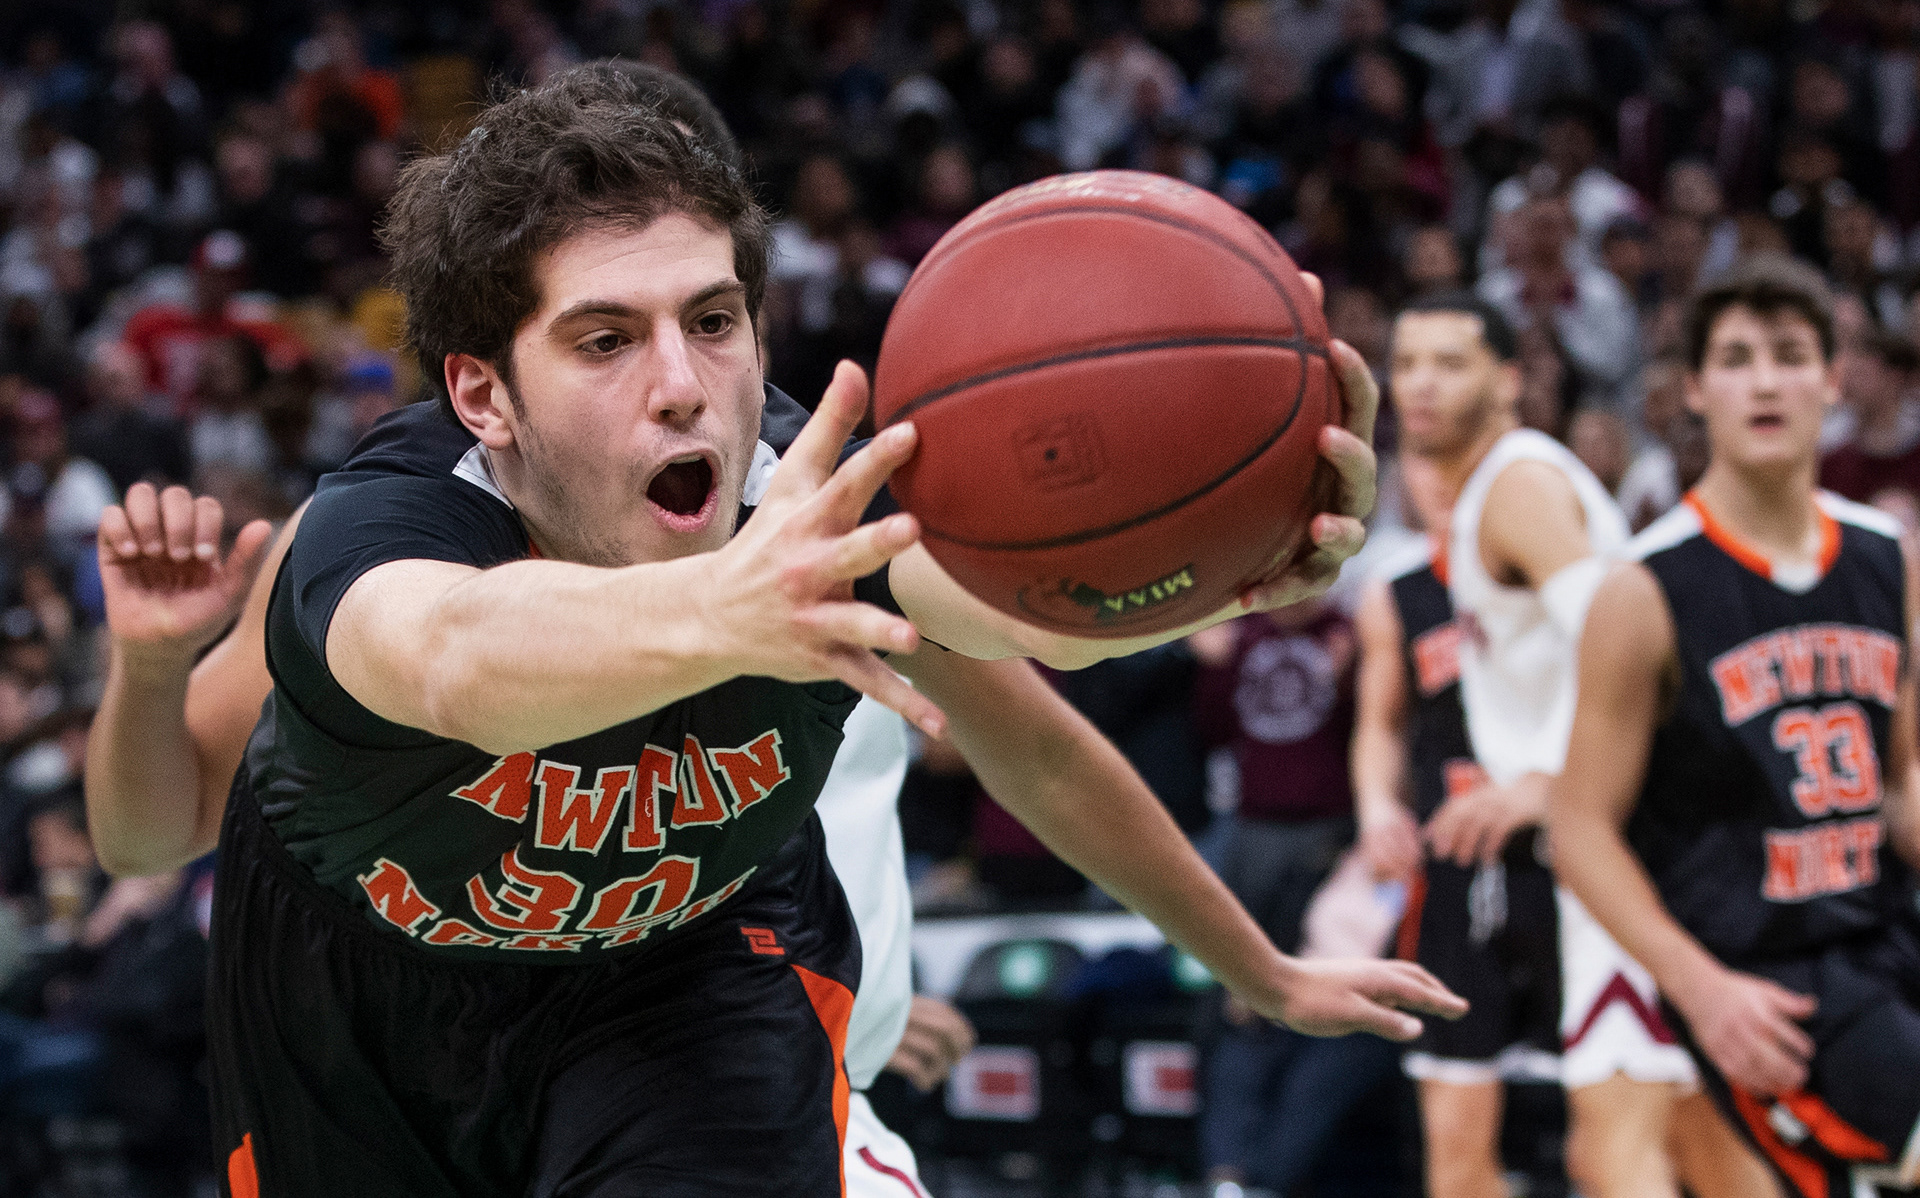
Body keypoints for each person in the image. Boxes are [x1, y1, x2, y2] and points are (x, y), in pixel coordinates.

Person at [85, 63, 1460, 1198]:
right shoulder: (370, 535)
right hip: (356, 1023)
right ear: (484, 395)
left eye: (715, 320)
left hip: (686, 978)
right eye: (606, 339)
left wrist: (1203, 588)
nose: (685, 386)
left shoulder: (810, 502)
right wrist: (150, 669)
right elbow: (434, 664)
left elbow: (1038, 718)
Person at [1553, 254, 1920, 1198]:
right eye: (1738, 357)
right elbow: (1579, 829)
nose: (1765, 380)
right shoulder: (1643, 589)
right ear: (1694, 390)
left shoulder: (1887, 558)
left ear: (1833, 381)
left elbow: (1900, 786)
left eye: (1791, 355)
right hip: (1767, 979)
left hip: (1884, 937)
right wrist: (1699, 989)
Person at [1389, 289, 1764, 1197]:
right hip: (1623, 842)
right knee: (1698, 1146)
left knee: (1623, 1150)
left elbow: (1623, 630)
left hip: (1627, 843)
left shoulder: (1515, 487)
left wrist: (1547, 782)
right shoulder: (1501, 488)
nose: (1421, 386)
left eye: (1450, 362)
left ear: (1511, 379)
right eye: (1404, 364)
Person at [1351, 453, 1562, 1198]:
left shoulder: (1558, 574)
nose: (1439, 480)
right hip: (1452, 876)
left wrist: (1545, 789)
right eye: (1425, 462)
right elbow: (1379, 725)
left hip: (1569, 865)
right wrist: (1378, 809)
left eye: (1460, 460)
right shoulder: (1398, 593)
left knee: (1612, 1133)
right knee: (1455, 1143)